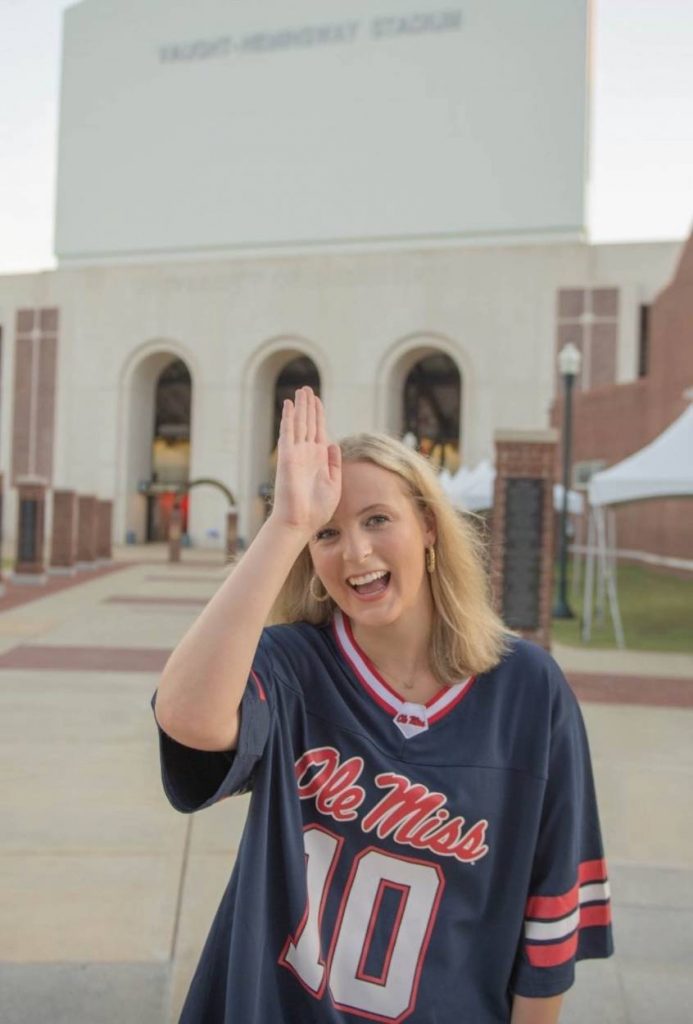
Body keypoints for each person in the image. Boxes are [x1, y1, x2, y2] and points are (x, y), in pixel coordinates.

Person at [152, 387, 613, 1024]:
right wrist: (286, 524)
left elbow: (549, 924)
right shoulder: (292, 668)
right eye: (329, 533)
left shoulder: (529, 692)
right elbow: (186, 717)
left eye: (377, 519)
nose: (357, 553)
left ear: (427, 524)